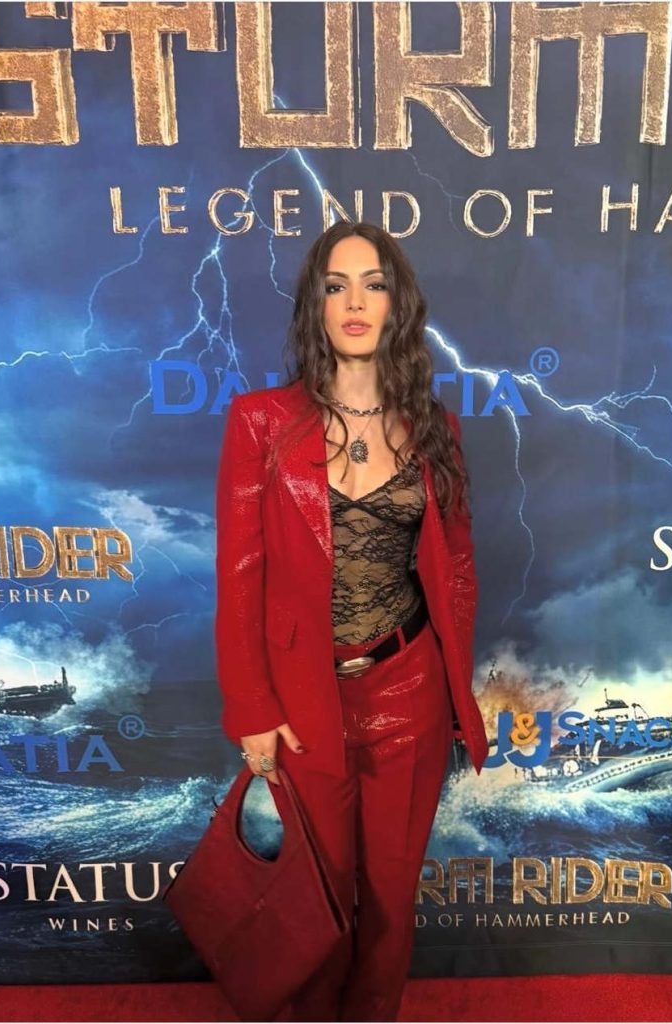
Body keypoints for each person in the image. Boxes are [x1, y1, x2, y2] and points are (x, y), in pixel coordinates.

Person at [214, 220, 488, 1022]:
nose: (356, 302)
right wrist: (252, 708)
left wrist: (455, 697)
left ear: (397, 304)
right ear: (317, 305)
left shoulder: (435, 428)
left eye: (374, 284)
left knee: (391, 903)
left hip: (408, 691)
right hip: (305, 702)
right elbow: (239, 577)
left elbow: (456, 572)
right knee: (318, 901)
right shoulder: (261, 423)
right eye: (337, 286)